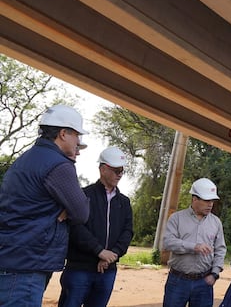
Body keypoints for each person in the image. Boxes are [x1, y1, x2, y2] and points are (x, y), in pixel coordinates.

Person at [0, 104, 91, 306]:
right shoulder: (58, 164)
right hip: (27, 267)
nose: (78, 141)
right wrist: (68, 208)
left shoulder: (29, 158)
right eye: (77, 135)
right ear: (63, 133)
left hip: (13, 259)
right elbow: (82, 212)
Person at [58, 146, 134, 307]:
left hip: (107, 271)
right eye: (116, 170)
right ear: (103, 169)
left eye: (122, 170)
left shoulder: (124, 202)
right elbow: (76, 228)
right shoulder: (83, 195)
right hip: (79, 269)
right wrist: (99, 252)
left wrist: (112, 255)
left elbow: (127, 232)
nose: (120, 174)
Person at [162, 178, 226, 307]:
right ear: (194, 199)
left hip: (204, 282)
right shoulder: (177, 218)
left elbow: (220, 249)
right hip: (178, 281)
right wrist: (194, 247)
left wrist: (214, 274)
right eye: (207, 200)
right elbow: (168, 242)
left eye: (212, 200)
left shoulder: (216, 222)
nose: (210, 204)